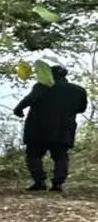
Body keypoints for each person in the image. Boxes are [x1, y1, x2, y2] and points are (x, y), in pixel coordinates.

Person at [14, 64, 89, 192]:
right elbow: (81, 108)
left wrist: (18, 109)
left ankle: (40, 182)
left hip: (38, 128)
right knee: (60, 156)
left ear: (50, 74)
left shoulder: (41, 87)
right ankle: (58, 184)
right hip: (64, 128)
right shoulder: (78, 90)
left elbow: (29, 99)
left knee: (34, 155)